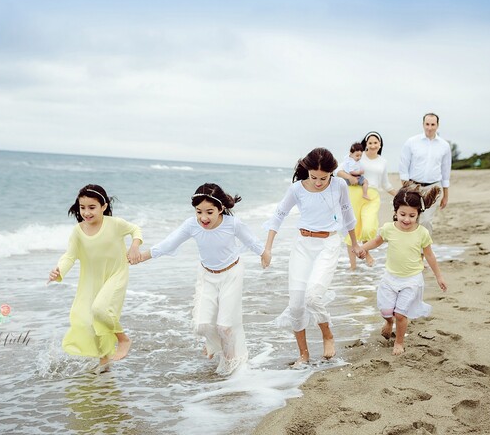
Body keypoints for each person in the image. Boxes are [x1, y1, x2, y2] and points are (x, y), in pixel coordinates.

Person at [135, 183, 268, 376]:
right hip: (207, 275)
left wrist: (264, 253)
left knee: (225, 326)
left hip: (232, 273)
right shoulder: (192, 225)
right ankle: (216, 347)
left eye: (209, 212)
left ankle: (231, 362)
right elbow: (168, 243)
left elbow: (251, 240)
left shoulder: (232, 224)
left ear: (221, 208)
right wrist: (141, 257)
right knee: (201, 326)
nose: (203, 218)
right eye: (199, 212)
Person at [263, 148, 362, 366]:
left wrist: (354, 243)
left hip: (328, 244)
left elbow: (347, 214)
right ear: (307, 171)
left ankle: (327, 334)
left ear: (331, 173)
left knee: (312, 296)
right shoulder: (297, 189)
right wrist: (268, 247)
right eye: (313, 177)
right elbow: (278, 215)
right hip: (302, 245)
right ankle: (303, 354)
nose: (318, 182)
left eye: (323, 178)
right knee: (297, 304)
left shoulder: (339, 185)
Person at [48, 184, 143, 371]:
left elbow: (135, 230)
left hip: (116, 274)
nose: (86, 212)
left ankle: (123, 339)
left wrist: (134, 246)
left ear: (104, 206)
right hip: (90, 281)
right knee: (86, 321)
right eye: (82, 207)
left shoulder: (114, 224)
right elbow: (70, 256)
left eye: (92, 207)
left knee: (100, 310)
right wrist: (59, 270)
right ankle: (104, 359)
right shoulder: (78, 230)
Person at [361, 184, 448, 356]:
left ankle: (399, 342)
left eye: (412, 215)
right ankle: (388, 323)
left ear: (418, 215)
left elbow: (429, 256)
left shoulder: (422, 233)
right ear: (395, 212)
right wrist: (363, 248)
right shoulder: (388, 229)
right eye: (402, 214)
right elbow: (377, 242)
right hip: (390, 277)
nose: (406, 219)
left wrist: (439, 276)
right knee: (386, 311)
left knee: (400, 314)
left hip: (411, 280)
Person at [336, 131, 397, 269]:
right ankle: (353, 267)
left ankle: (365, 251)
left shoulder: (383, 162)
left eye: (376, 142)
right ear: (366, 144)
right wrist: (350, 178)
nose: (373, 145)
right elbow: (338, 171)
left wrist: (398, 194)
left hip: (372, 196)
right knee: (352, 229)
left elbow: (385, 184)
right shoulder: (358, 155)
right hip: (354, 194)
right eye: (370, 142)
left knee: (368, 226)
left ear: (380, 144)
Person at [399, 113, 452, 235]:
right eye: (427, 124)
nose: (429, 128)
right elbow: (403, 166)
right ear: (423, 124)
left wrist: (446, 195)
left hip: (433, 187)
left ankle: (422, 253)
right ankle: (410, 250)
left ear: (437, 125)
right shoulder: (411, 142)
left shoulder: (444, 146)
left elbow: (445, 171)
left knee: (426, 221)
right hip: (413, 186)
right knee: (412, 219)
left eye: (432, 124)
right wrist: (406, 188)